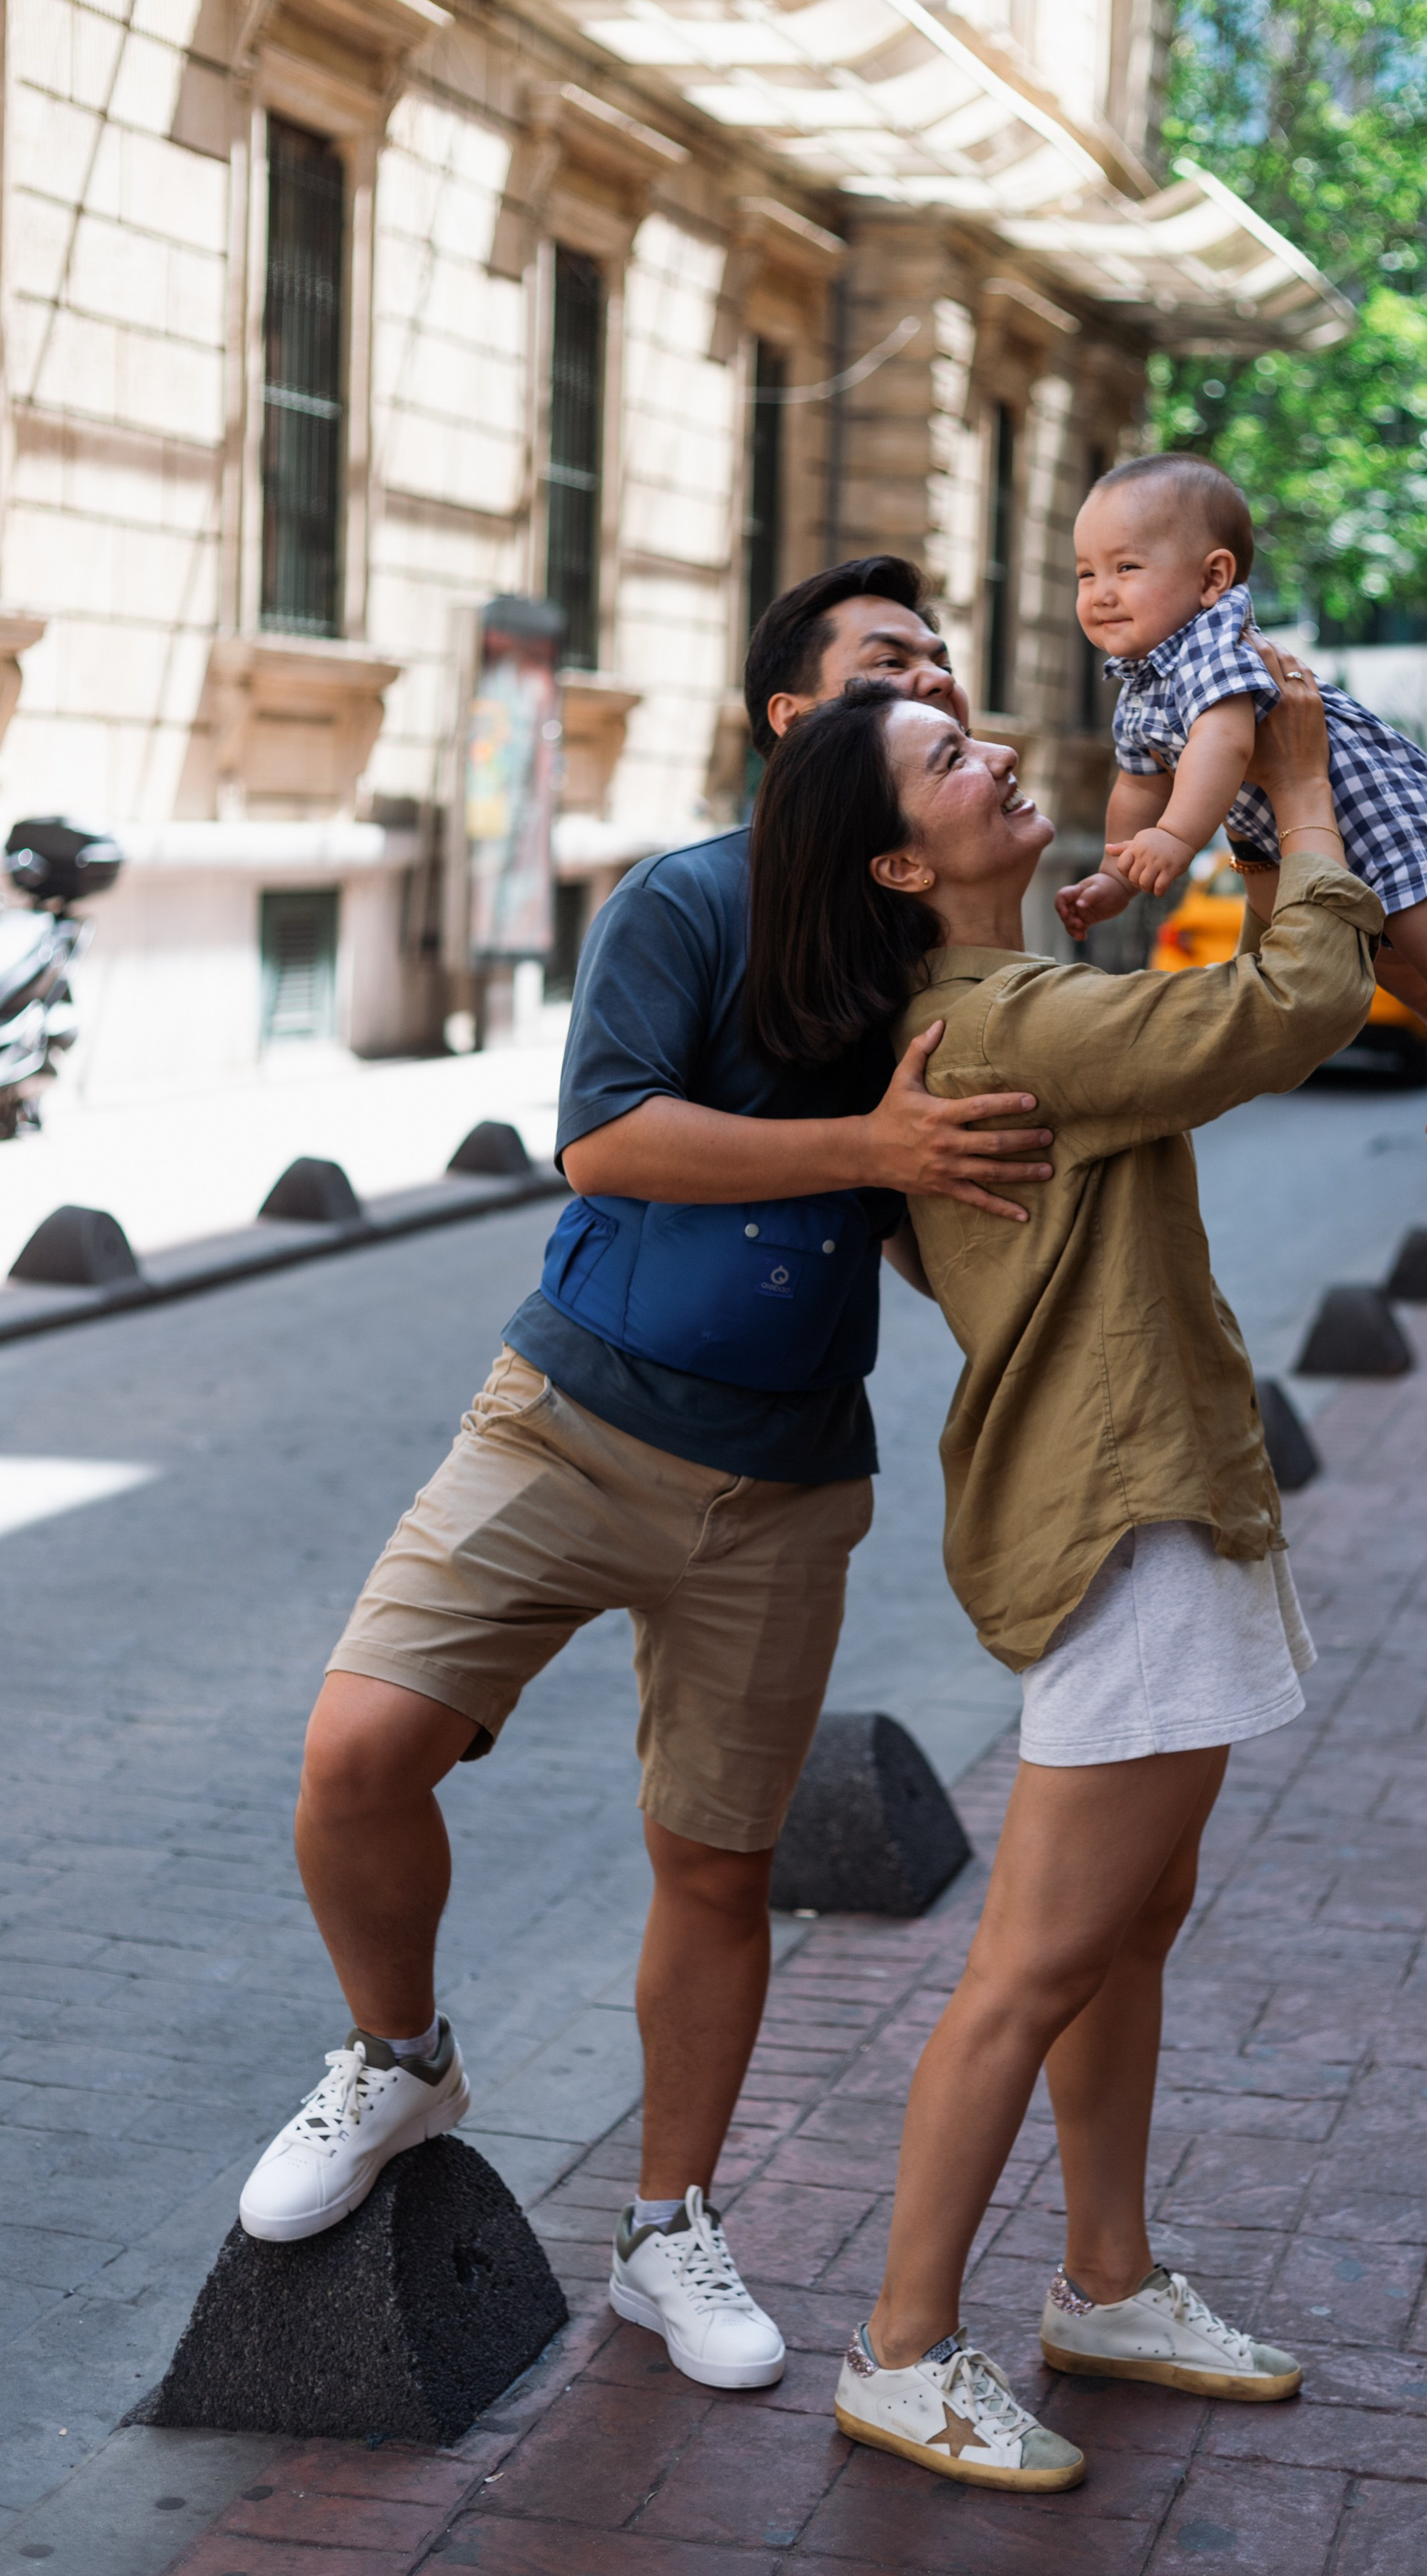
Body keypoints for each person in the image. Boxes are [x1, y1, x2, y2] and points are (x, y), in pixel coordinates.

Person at [234, 558, 1061, 2397]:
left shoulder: (925, 942)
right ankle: (398, 2049)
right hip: (567, 1417)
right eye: (885, 667)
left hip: (779, 1483)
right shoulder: (682, 901)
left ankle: (663, 2220)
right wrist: (862, 1137)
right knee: (357, 1754)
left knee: (714, 1862)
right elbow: (601, 1136)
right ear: (794, 720)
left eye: (938, 665)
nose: (927, 681)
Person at [744, 647, 1379, 2491]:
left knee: (1125, 1930)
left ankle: (1104, 2280)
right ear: (891, 862)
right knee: (1032, 1960)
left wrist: (1196, 828)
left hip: (1145, 1501)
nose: (997, 755)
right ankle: (901, 2346)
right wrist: (1308, 784)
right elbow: (1294, 1003)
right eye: (951, 756)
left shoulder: (1007, 1002)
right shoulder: (1003, 1020)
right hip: (1123, 1522)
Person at [1058, 453, 1427, 1214]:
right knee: (1397, 972)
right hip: (1304, 838)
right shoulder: (1142, 680)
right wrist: (1116, 876)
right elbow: (1137, 786)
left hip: (1396, 821)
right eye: (1085, 574)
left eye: (1125, 567)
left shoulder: (1213, 646)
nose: (1100, 594)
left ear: (1212, 580)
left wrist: (1175, 843)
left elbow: (1224, 747)